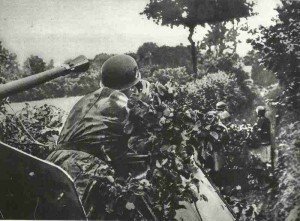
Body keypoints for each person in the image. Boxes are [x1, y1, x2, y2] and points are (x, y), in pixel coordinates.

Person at [47, 54, 150, 219]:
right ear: (131, 85)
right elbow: (142, 140)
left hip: (53, 164)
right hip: (83, 169)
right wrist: (144, 103)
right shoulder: (123, 104)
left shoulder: (85, 100)